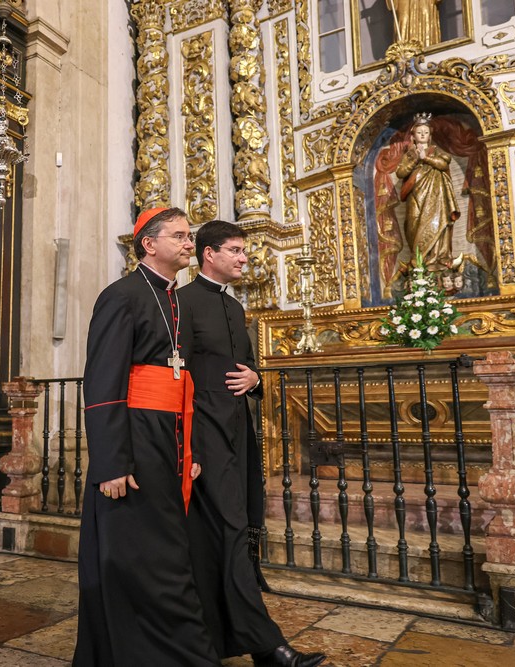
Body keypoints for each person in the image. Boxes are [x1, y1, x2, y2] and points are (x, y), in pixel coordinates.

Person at [74, 207, 219, 666]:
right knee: (137, 554)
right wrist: (111, 462)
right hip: (135, 440)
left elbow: (185, 381)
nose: (189, 243)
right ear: (149, 244)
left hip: (170, 437)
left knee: (165, 552)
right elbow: (102, 382)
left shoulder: (177, 300)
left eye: (190, 235)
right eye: (179, 236)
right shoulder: (121, 296)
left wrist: (191, 449)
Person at [180, 220, 326, 667]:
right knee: (228, 532)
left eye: (244, 250)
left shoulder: (235, 306)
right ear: (209, 254)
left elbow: (246, 365)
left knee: (233, 529)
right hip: (204, 433)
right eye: (236, 250)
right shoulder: (182, 304)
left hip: (237, 433)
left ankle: (214, 639)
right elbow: (175, 377)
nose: (245, 258)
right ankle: (268, 646)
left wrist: (256, 378)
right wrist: (188, 446)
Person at [395, 113, 460, 271]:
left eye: (426, 132)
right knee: (413, 224)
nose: (423, 135)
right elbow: (400, 173)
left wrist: (426, 158)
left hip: (436, 197)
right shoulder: (410, 154)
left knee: (437, 223)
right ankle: (418, 261)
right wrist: (415, 160)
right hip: (415, 195)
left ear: (430, 136)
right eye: (419, 132)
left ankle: (437, 259)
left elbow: (443, 164)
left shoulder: (436, 151)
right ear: (413, 136)